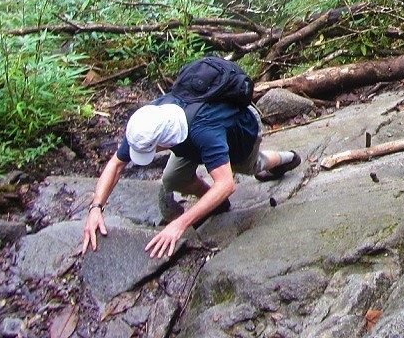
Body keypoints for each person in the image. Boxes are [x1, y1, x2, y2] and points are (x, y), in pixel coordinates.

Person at [80, 65, 301, 259]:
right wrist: (96, 207)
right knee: (173, 178)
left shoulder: (204, 131)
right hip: (190, 143)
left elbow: (226, 184)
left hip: (240, 132)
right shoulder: (149, 122)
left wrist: (180, 223)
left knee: (251, 166)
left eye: (152, 150)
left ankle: (286, 158)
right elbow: (116, 164)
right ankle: (216, 204)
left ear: (163, 142)